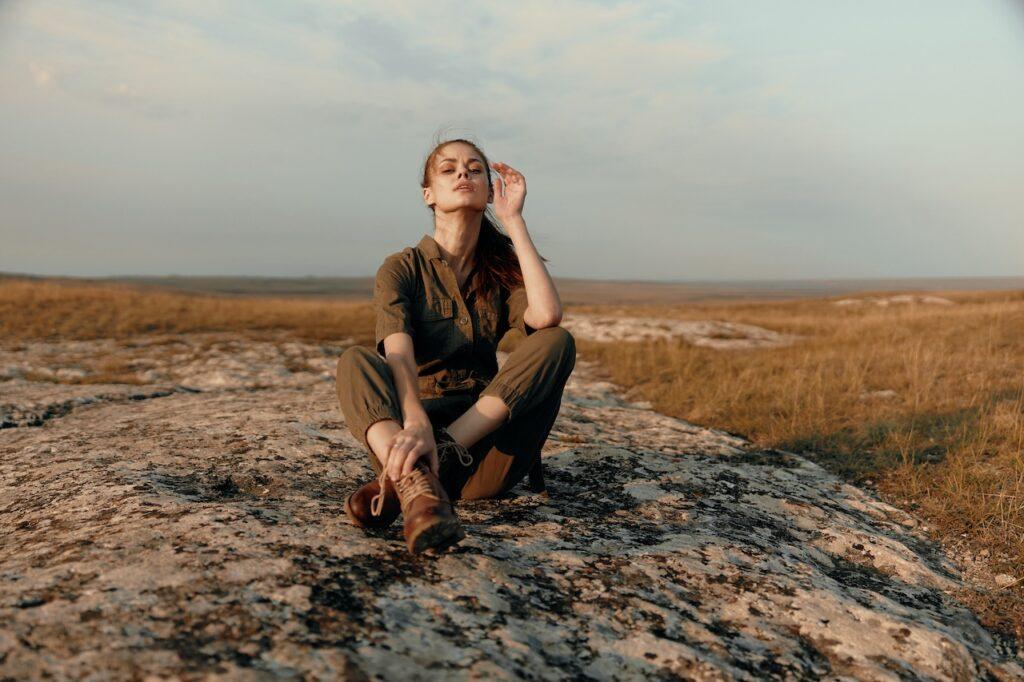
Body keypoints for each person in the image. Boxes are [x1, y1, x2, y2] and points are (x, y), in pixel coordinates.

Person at [334, 137, 577, 554]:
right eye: (448, 169)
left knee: (558, 342)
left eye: (475, 169)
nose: (463, 173)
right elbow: (397, 350)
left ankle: (415, 480)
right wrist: (416, 425)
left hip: (485, 450)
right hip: (411, 439)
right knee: (355, 361)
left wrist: (514, 220)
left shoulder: (500, 269)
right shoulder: (401, 268)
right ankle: (416, 480)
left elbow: (546, 315)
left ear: (489, 190)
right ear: (428, 194)